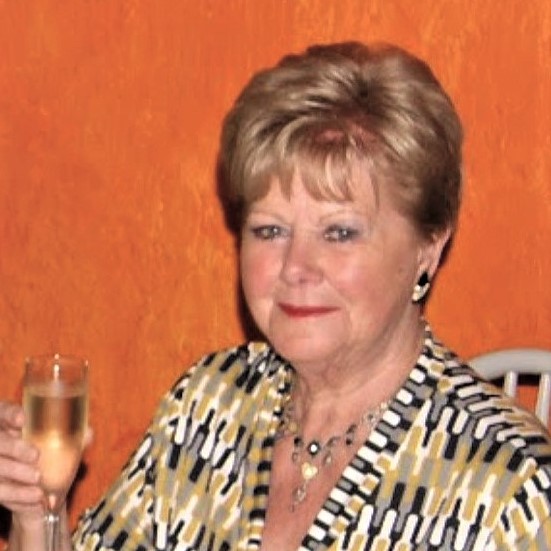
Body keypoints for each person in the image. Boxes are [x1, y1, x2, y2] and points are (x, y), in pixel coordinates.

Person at [1, 41, 551, 551]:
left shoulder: (507, 487)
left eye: (340, 232)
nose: (295, 268)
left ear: (428, 247)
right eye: (270, 230)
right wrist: (36, 511)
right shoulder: (210, 405)